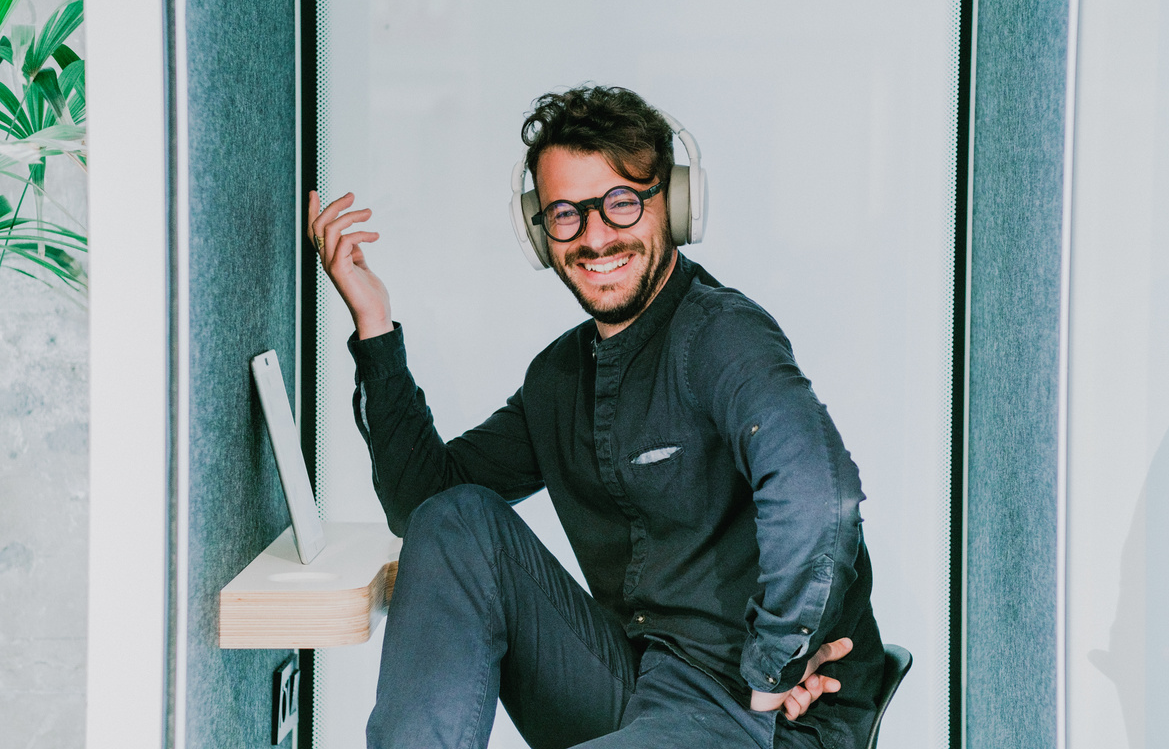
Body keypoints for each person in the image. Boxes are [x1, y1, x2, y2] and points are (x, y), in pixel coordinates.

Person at [308, 86, 884, 749]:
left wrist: (774, 668)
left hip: (754, 718)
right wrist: (374, 327)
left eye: (621, 203)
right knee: (458, 518)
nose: (595, 236)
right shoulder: (559, 380)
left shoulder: (725, 336)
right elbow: (423, 509)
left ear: (673, 203)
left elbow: (818, 493)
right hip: (636, 685)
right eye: (565, 214)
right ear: (538, 232)